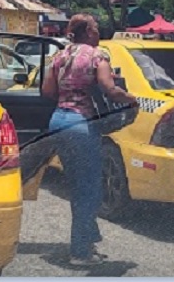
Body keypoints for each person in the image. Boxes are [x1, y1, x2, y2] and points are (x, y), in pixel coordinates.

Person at [42, 14, 137, 266]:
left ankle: (86, 242)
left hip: (58, 122)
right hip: (82, 126)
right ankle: (80, 252)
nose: (98, 32)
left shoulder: (60, 56)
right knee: (90, 191)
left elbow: (47, 91)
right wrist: (131, 99)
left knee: (78, 187)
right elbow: (109, 88)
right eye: (95, 28)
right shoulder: (98, 55)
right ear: (88, 32)